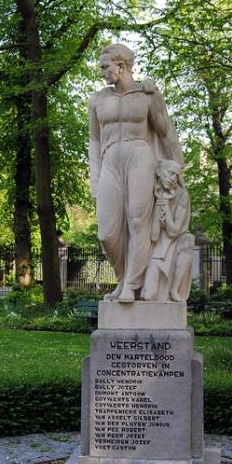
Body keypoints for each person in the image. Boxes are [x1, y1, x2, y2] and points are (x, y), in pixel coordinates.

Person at [89, 44, 183, 302]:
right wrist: (94, 178)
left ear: (121, 66)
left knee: (138, 221)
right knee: (107, 232)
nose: (102, 72)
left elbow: (164, 131)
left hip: (140, 157)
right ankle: (122, 278)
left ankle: (131, 285)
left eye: (105, 67)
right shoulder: (98, 99)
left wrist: (157, 98)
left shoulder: (145, 95)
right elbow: (94, 141)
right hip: (110, 160)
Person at [142, 159, 194, 302]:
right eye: (171, 173)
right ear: (159, 172)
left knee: (189, 240)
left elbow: (173, 231)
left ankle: (174, 290)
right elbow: (153, 236)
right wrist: (160, 204)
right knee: (149, 296)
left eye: (176, 176)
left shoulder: (182, 195)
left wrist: (165, 207)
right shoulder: (150, 193)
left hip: (176, 242)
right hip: (157, 248)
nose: (173, 179)